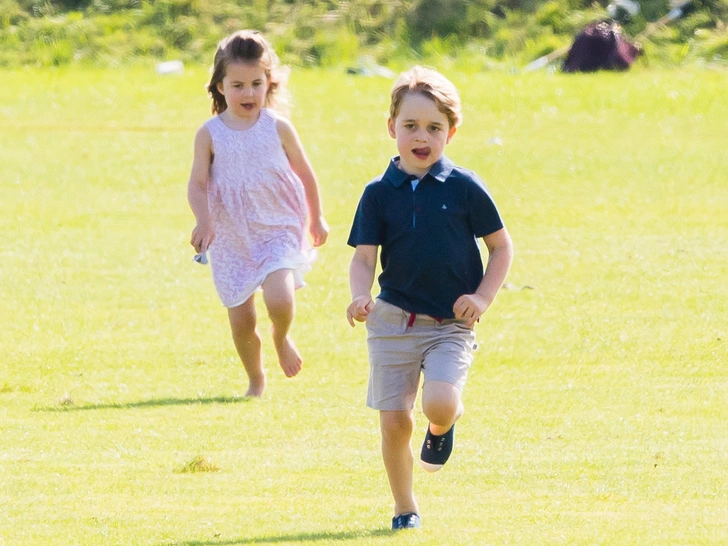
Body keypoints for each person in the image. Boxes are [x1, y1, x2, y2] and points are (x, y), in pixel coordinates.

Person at [346, 66, 513, 530]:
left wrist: (481, 298)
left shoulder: (465, 187)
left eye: (434, 128)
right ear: (391, 128)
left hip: (450, 325)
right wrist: (360, 296)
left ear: (451, 132)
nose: (422, 137)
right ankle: (405, 508)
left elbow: (501, 247)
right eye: (411, 126)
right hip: (393, 320)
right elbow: (363, 258)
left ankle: (442, 428)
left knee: (438, 403)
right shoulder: (377, 194)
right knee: (394, 421)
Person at [188, 30, 329, 397]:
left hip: (278, 225)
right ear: (219, 86)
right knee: (241, 320)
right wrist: (204, 220)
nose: (248, 93)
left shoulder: (278, 127)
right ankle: (256, 378)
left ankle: (281, 337)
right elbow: (198, 184)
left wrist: (316, 218)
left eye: (256, 83)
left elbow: (306, 173)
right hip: (232, 235)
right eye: (238, 85)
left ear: (269, 83)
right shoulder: (210, 134)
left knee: (280, 298)